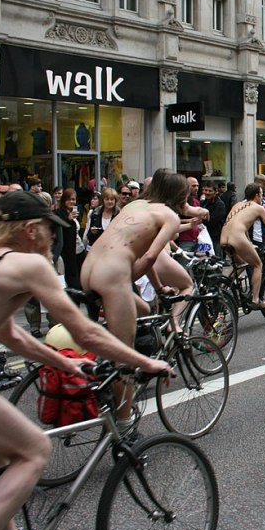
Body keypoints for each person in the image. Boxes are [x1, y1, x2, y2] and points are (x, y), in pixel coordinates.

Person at [0, 190, 169, 530]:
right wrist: (145, 361)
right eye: (51, 230)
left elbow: (11, 336)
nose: (53, 239)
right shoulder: (29, 265)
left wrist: (66, 364)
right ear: (31, 230)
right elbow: (87, 333)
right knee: (34, 450)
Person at [80, 169, 197, 426]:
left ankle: (115, 369)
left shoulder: (135, 204)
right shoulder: (169, 216)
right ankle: (124, 428)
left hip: (88, 269)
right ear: (180, 196)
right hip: (111, 275)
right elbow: (150, 257)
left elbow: (143, 252)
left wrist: (155, 288)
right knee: (124, 355)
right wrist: (126, 281)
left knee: (144, 310)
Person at [219, 183, 265, 309]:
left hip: (224, 238)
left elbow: (240, 225)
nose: (262, 196)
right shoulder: (258, 207)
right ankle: (255, 299)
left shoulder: (237, 205)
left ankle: (225, 286)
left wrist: (249, 242)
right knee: (258, 265)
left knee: (240, 264)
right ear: (257, 195)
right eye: (261, 194)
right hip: (237, 237)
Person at [84, 186, 120, 253]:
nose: (109, 201)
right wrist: (92, 233)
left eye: (112, 199)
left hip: (113, 250)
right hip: (96, 250)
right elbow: (89, 236)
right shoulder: (95, 214)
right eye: (107, 199)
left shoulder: (119, 215)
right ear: (103, 200)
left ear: (115, 200)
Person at [200, 180, 227, 256]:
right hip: (203, 237)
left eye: (210, 191)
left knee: (216, 259)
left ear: (216, 192)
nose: (207, 193)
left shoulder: (219, 204)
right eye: (205, 190)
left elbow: (212, 221)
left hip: (215, 237)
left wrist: (201, 219)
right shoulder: (202, 203)